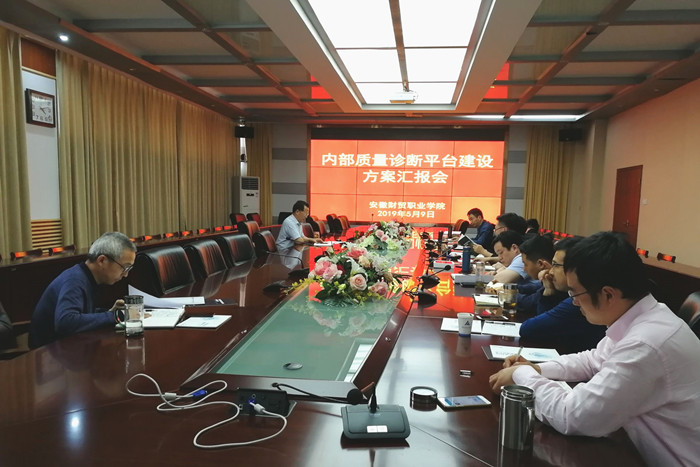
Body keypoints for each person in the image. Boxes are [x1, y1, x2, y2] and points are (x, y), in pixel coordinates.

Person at [488, 232, 700, 466]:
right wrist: (537, 369)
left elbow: (573, 416)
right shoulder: (644, 317)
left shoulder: (646, 344)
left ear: (608, 294)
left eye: (575, 293)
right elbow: (593, 360)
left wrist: (522, 376)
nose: (573, 301)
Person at [29, 232, 137, 348]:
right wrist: (116, 316)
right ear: (102, 260)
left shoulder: (85, 276)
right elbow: (66, 322)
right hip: (48, 352)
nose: (125, 274)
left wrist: (109, 312)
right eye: (125, 267)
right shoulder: (74, 280)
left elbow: (82, 313)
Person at [518, 236, 606, 352]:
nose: (550, 271)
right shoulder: (568, 292)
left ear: (574, 268)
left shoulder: (578, 300)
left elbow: (529, 329)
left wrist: (548, 293)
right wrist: (549, 290)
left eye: (555, 265)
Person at [515, 234, 555, 314]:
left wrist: (506, 294)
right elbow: (535, 287)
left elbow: (527, 303)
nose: (524, 269)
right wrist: (508, 287)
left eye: (525, 264)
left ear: (540, 264)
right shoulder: (545, 279)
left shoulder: (556, 283)